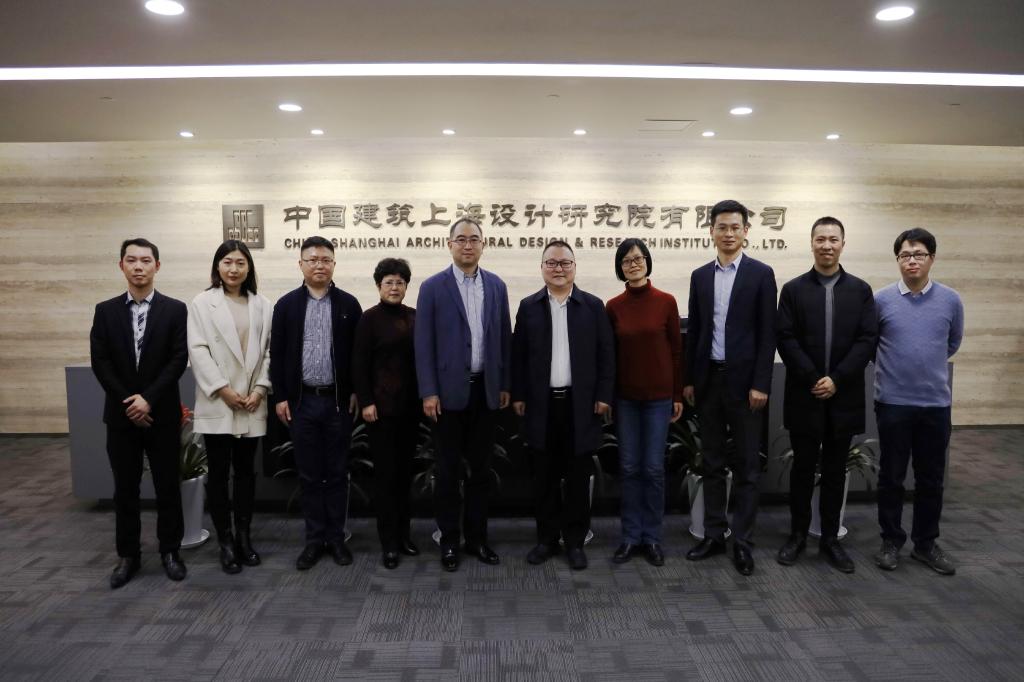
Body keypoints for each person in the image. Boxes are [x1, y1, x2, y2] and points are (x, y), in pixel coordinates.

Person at [776, 217, 877, 573]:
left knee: (835, 471)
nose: (827, 245)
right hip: (804, 395)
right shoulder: (793, 290)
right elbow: (785, 337)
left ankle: (830, 539)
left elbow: (867, 339)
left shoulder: (860, 290)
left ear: (843, 244)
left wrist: (836, 379)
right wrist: (813, 378)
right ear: (812, 243)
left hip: (844, 395)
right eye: (821, 239)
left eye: (833, 239)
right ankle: (797, 536)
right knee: (802, 470)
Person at [683, 199, 777, 576]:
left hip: (746, 386)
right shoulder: (700, 276)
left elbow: (767, 333)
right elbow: (695, 332)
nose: (728, 233)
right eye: (721, 227)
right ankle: (713, 534)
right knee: (712, 462)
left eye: (735, 227)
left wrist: (761, 383)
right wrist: (689, 379)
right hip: (709, 381)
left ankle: (743, 542)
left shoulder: (761, 274)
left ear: (745, 232)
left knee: (747, 467)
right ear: (711, 231)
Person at [90, 238, 188, 588]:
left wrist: (148, 399)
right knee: (125, 489)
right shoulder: (105, 311)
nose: (138, 266)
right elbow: (100, 362)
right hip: (121, 417)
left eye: (146, 260)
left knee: (167, 487)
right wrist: (130, 403)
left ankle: (170, 551)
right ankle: (128, 555)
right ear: (121, 266)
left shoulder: (175, 309)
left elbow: (178, 359)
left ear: (157, 266)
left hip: (162, 414)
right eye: (131, 260)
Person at [415, 218, 512, 572]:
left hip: (485, 390)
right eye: (461, 239)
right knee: (448, 470)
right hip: (446, 395)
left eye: (474, 239)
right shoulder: (432, 287)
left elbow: (504, 337)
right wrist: (428, 391)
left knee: (481, 472)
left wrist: (504, 384)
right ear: (450, 244)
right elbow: (423, 343)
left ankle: (477, 539)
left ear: (483, 244)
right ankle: (449, 541)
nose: (467, 245)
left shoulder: (497, 286)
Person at [512, 241, 615, 570]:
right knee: (543, 477)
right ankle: (546, 539)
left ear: (574, 267)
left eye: (565, 263)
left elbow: (606, 355)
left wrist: (604, 395)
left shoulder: (593, 306)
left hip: (580, 406)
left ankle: (574, 542)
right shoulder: (529, 307)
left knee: (577, 478)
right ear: (542, 268)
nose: (558, 268)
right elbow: (518, 357)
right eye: (551, 263)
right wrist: (518, 395)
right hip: (541, 406)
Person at [873, 227, 963, 576]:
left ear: (932, 258)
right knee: (891, 477)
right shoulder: (881, 300)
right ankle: (891, 541)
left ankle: (925, 544)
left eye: (919, 254)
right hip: (893, 402)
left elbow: (952, 342)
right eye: (905, 255)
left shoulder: (951, 300)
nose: (912, 260)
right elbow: (872, 345)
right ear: (897, 260)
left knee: (931, 479)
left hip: (935, 405)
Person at [270, 236, 362, 571]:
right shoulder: (286, 305)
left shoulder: (349, 305)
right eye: (312, 260)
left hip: (337, 403)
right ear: (301, 264)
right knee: (309, 475)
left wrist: (356, 391)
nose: (319, 265)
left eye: (325, 260)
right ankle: (313, 540)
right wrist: (281, 396)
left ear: (334, 264)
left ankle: (336, 539)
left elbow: (358, 355)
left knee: (337, 473)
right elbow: (277, 354)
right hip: (302, 402)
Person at [186, 240, 272, 574]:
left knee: (246, 473)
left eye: (240, 263)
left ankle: (244, 538)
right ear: (217, 266)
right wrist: (223, 390)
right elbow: (198, 350)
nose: (233, 269)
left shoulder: (262, 305)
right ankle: (225, 541)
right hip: (218, 401)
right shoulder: (202, 303)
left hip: (251, 401)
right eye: (227, 262)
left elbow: (270, 351)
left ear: (249, 267)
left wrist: (260, 389)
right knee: (220, 475)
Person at [605, 238, 683, 567]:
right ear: (620, 268)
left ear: (648, 262)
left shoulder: (666, 302)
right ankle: (629, 536)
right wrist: (608, 398)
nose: (633, 264)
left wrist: (677, 395)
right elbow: (609, 357)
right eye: (626, 260)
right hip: (625, 400)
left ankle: (651, 537)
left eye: (638, 258)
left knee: (652, 469)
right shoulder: (613, 306)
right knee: (628, 468)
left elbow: (676, 352)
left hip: (658, 400)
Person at [353, 257, 420, 569]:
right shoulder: (369, 319)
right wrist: (366, 401)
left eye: (400, 282)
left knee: (405, 476)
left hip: (410, 409)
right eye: (389, 282)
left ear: (406, 286)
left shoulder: (415, 316)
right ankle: (389, 543)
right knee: (386, 478)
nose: (395, 287)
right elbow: (359, 364)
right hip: (380, 412)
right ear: (379, 286)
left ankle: (404, 536)